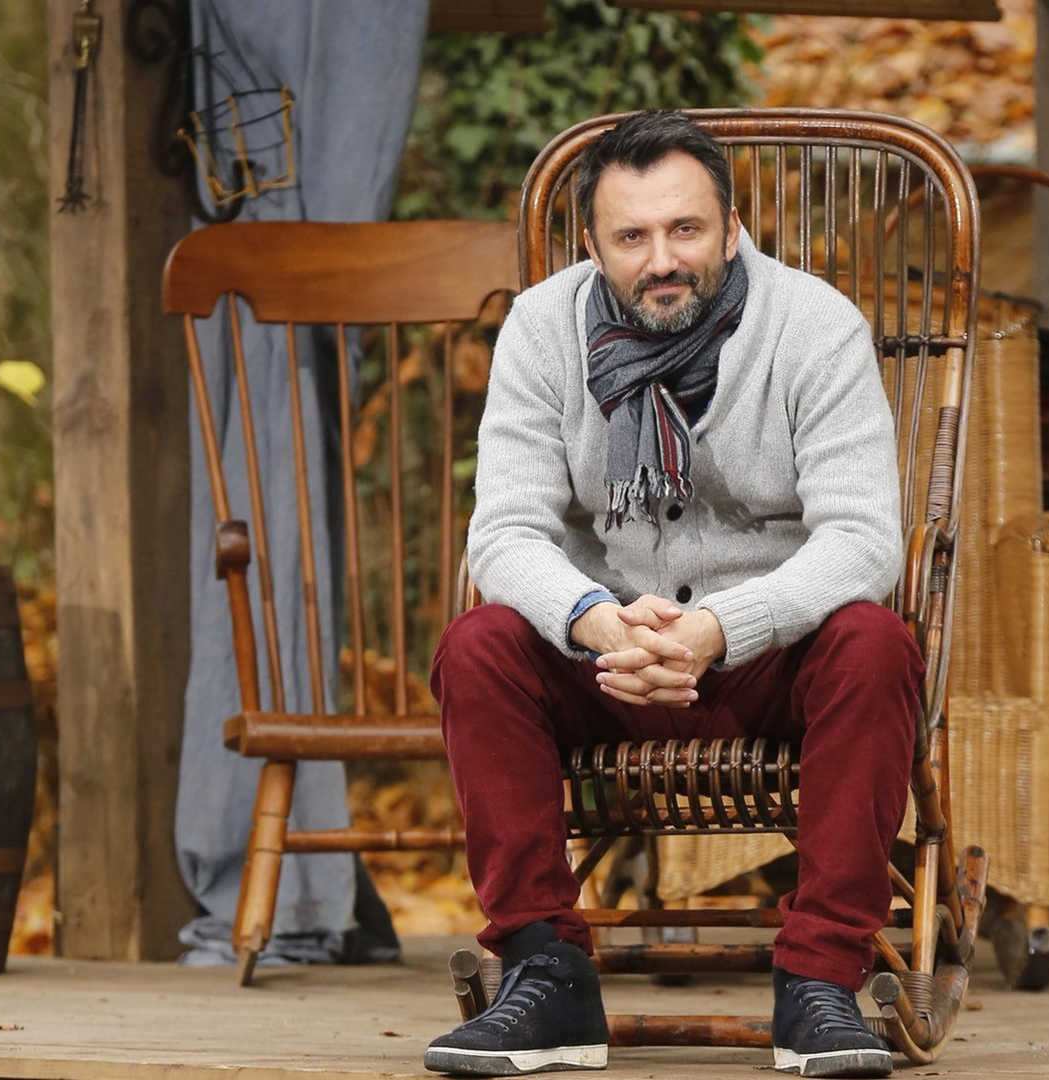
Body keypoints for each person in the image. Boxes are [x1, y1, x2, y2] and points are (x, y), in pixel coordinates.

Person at [424, 109, 922, 1079]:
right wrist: (595, 622)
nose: (663, 260)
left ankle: (820, 983)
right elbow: (507, 531)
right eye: (633, 236)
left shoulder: (814, 325)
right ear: (592, 245)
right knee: (477, 645)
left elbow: (863, 539)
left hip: (770, 658)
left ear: (731, 228)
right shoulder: (542, 328)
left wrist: (717, 628)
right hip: (606, 659)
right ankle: (546, 974)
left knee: (875, 643)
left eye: (686, 229)